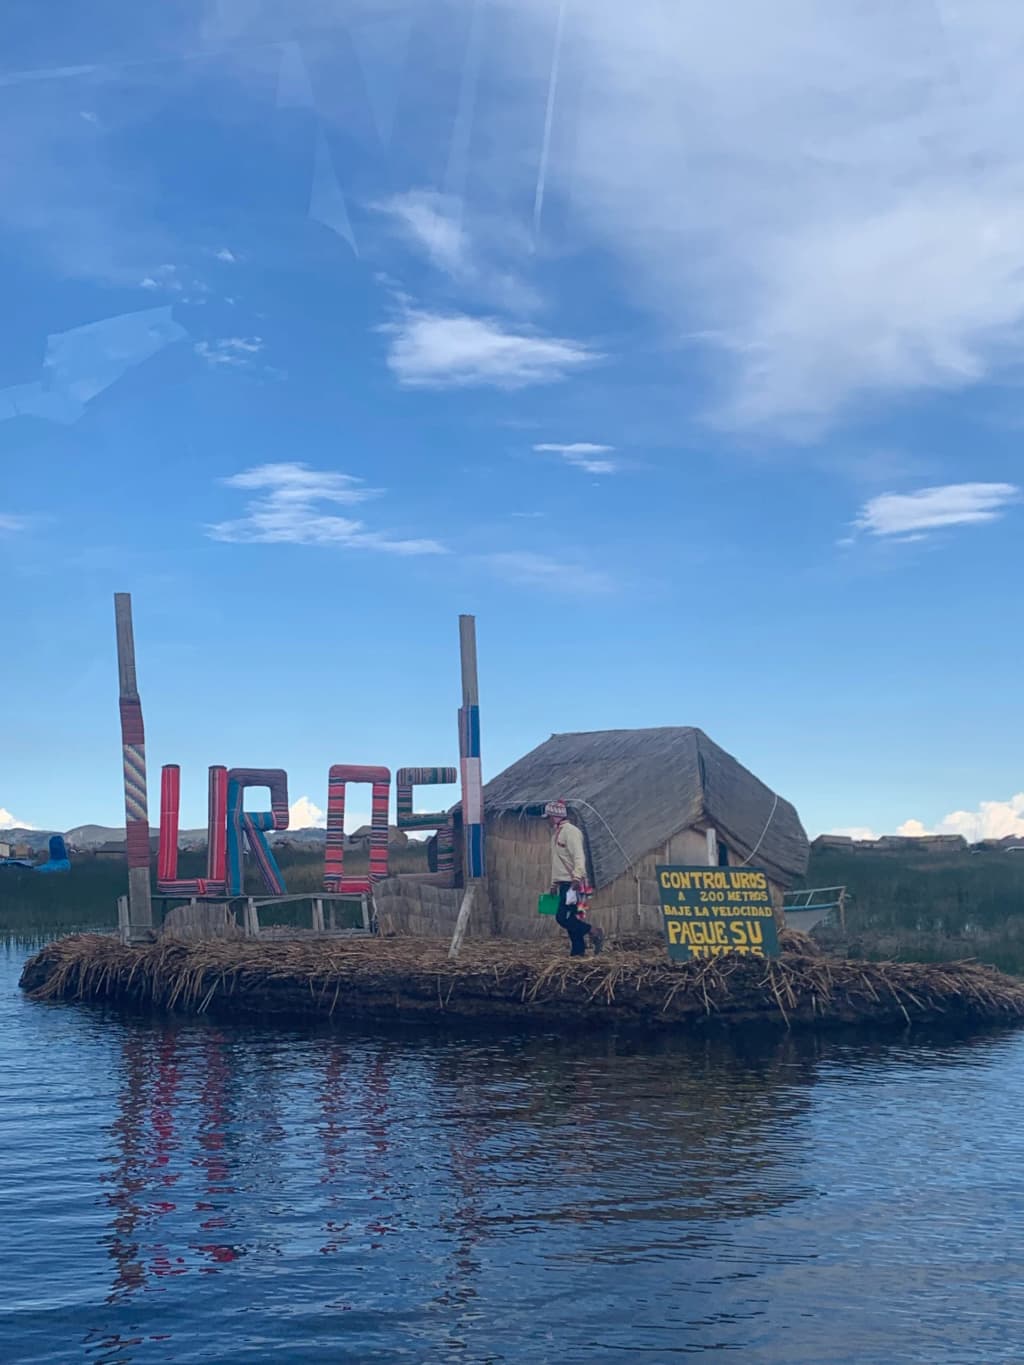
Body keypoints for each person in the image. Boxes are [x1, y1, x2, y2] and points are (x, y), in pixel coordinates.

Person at [545, 799, 605, 956]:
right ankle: (578, 951)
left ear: (556, 817)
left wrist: (577, 878)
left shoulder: (571, 832)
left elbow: (578, 857)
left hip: (572, 883)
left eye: (549, 817)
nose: (548, 820)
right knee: (571, 916)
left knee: (562, 918)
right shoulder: (557, 834)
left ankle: (593, 931)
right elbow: (558, 862)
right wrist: (553, 884)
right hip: (564, 882)